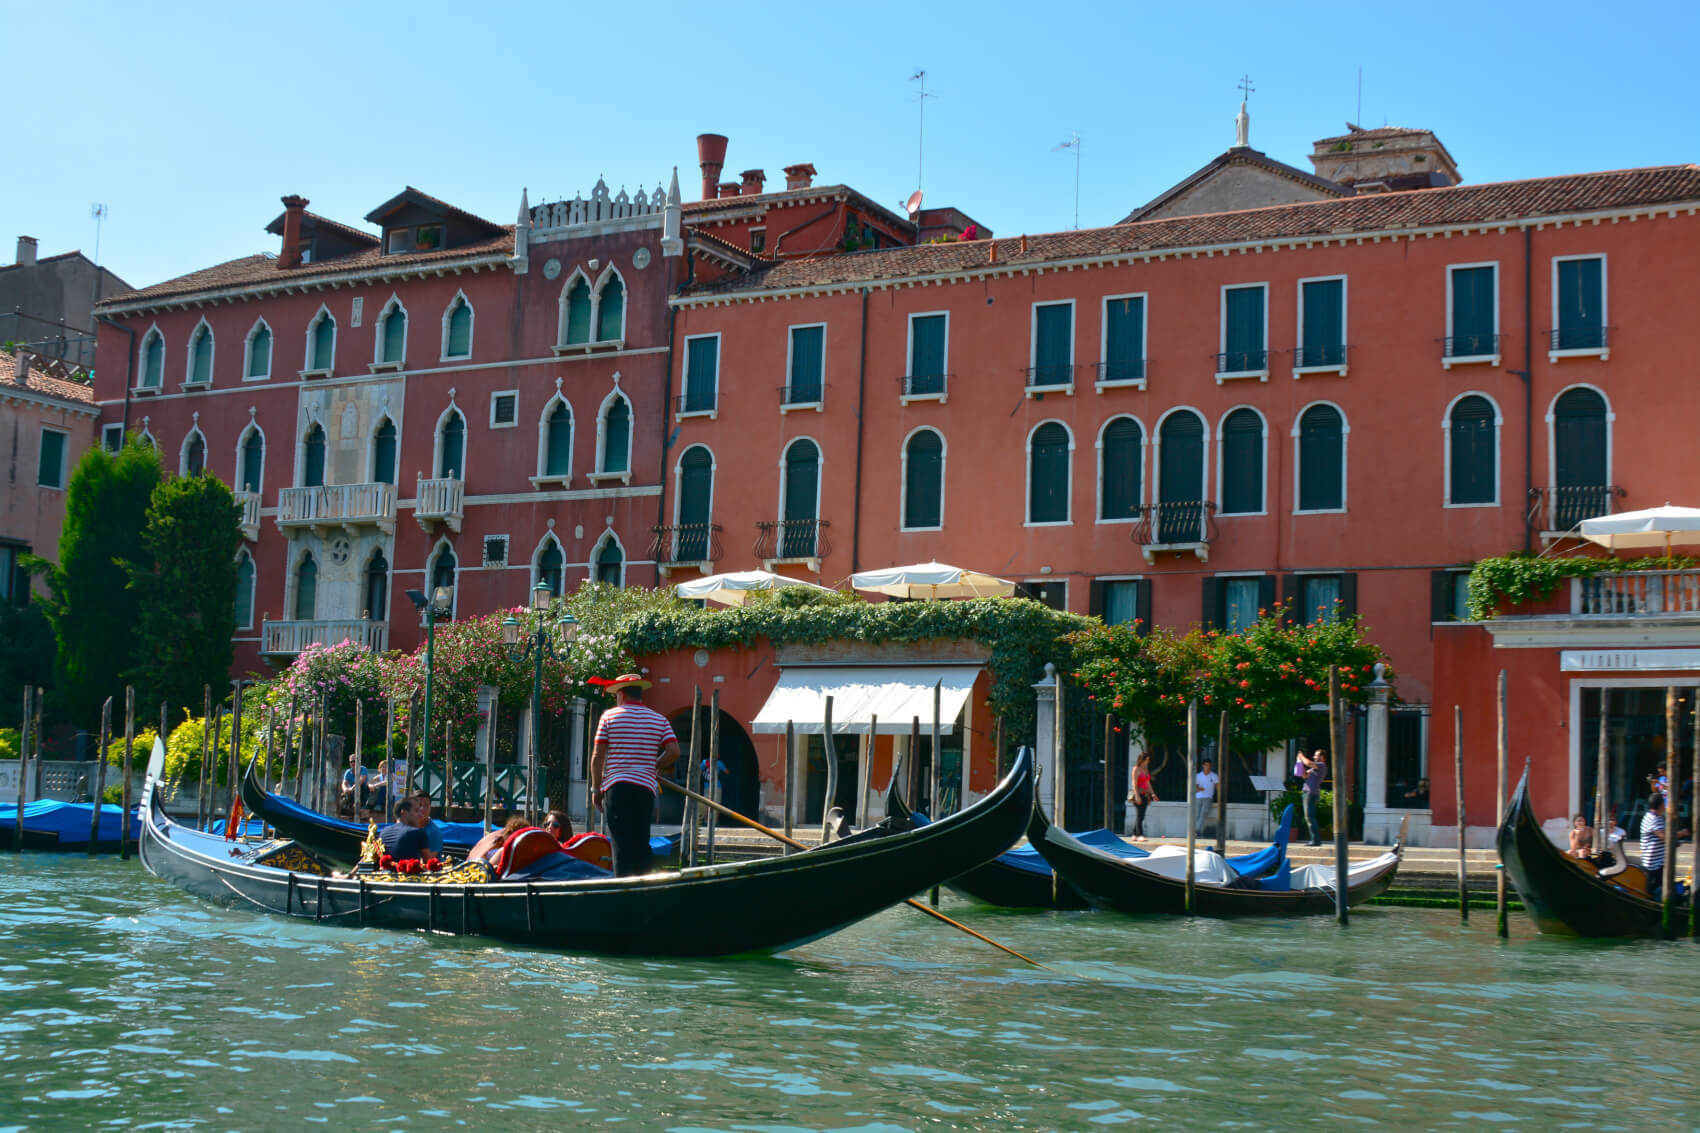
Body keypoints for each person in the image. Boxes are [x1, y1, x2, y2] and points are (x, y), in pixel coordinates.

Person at [589, 673, 681, 877]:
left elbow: (597, 756)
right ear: (640, 695)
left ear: (621, 695)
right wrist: (654, 764)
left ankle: (622, 890)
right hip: (644, 788)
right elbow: (674, 751)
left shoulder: (609, 717)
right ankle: (643, 887)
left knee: (621, 843)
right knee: (641, 841)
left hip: (617, 786)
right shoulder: (659, 719)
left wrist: (596, 789)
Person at [377, 796, 431, 861]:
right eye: (416, 811)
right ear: (404, 813)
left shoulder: (383, 832)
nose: (420, 815)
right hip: (410, 870)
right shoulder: (418, 832)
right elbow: (429, 864)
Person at [1296, 749, 1326, 846]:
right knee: (1309, 816)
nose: (1314, 757)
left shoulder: (1321, 765)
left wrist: (1301, 756)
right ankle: (1315, 839)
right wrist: (1300, 764)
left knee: (1310, 817)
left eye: (1316, 755)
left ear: (1322, 757)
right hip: (1307, 792)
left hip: (1311, 793)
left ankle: (1315, 840)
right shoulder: (1314, 768)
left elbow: (1308, 763)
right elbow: (1304, 776)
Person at [1127, 752, 1157, 841]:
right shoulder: (1136, 769)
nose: (1148, 761)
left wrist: (1153, 794)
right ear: (1142, 760)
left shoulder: (1145, 769)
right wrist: (1137, 796)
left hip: (1145, 795)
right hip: (1138, 794)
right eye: (1146, 760)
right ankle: (1140, 834)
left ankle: (1134, 834)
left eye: (1148, 760)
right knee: (1139, 815)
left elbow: (1148, 783)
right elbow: (1134, 784)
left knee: (1141, 815)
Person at [1640, 794, 1666, 888]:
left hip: (1659, 862)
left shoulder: (1657, 817)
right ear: (1660, 805)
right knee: (1653, 889)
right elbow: (1663, 836)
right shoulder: (1652, 818)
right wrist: (1681, 833)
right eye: (1664, 803)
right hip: (1653, 864)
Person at [410, 791, 444, 857]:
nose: (422, 809)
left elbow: (429, 861)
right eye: (419, 805)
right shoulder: (406, 826)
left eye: (426, 805)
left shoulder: (434, 832)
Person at [1194, 759, 1219, 835]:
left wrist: (1219, 798)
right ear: (1203, 765)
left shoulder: (1214, 776)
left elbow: (1218, 787)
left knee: (1203, 814)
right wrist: (1199, 789)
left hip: (1208, 797)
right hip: (1198, 797)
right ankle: (1195, 830)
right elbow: (1195, 788)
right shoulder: (1198, 775)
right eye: (1206, 765)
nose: (1208, 767)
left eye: (1209, 765)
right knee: (1197, 814)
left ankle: (1197, 831)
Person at [338, 753, 368, 818]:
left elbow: (361, 780)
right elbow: (344, 783)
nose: (353, 763)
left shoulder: (363, 769)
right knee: (342, 793)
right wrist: (345, 789)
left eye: (355, 761)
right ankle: (343, 807)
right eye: (351, 762)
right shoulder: (348, 772)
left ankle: (362, 806)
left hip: (363, 793)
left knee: (361, 787)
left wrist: (351, 788)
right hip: (352, 793)